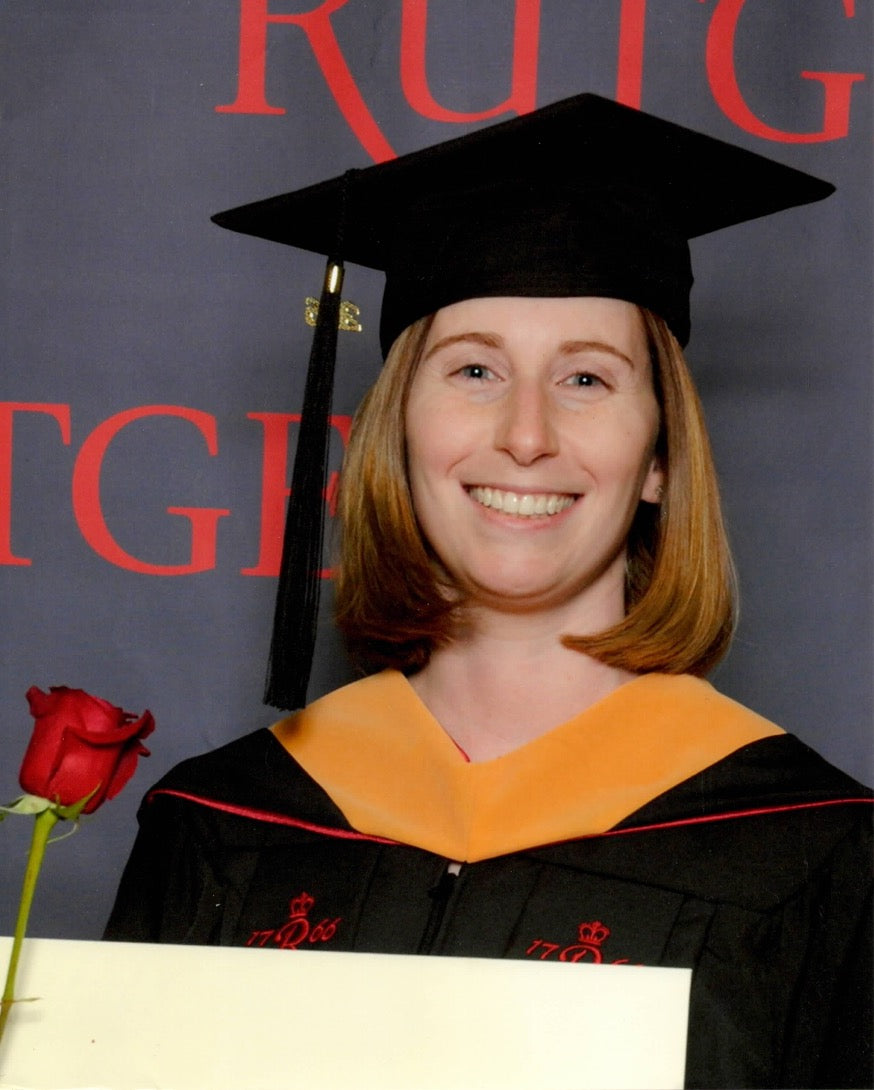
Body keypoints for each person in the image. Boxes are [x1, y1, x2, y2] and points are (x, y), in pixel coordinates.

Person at [104, 95, 872, 1089]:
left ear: (659, 457)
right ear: (399, 429)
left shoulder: (809, 852)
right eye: (473, 369)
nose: (525, 432)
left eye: (587, 379)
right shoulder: (223, 821)